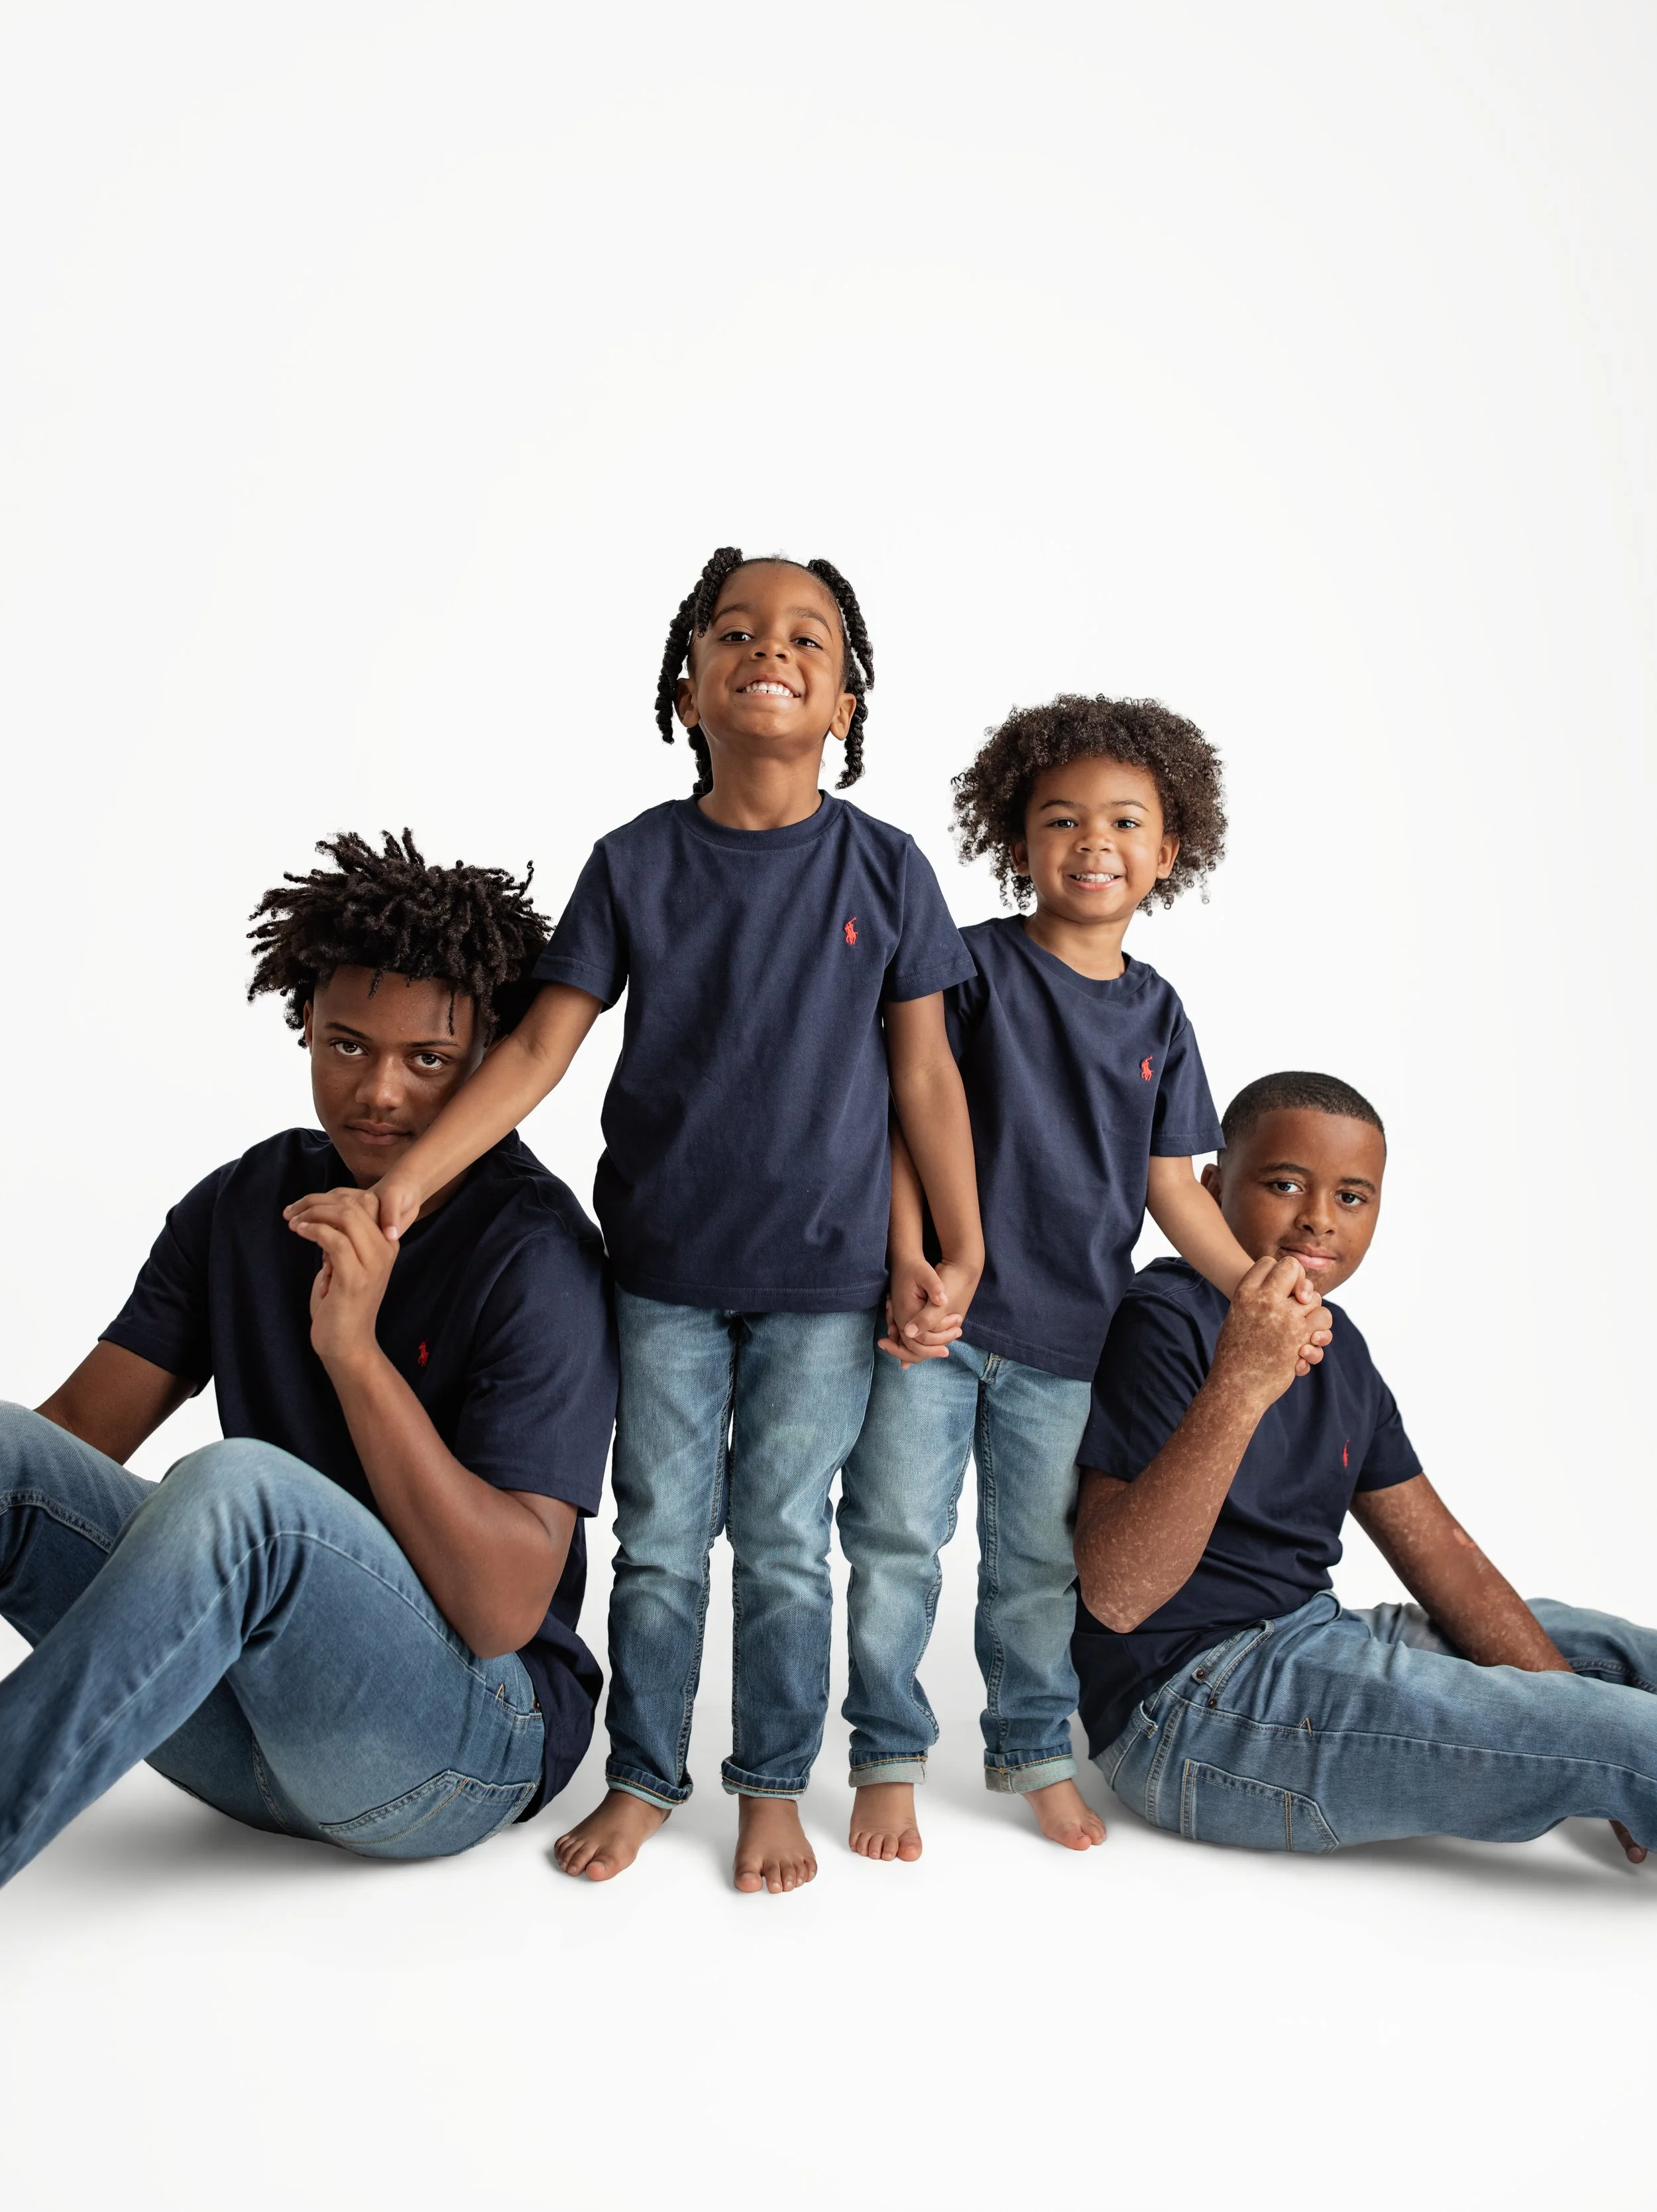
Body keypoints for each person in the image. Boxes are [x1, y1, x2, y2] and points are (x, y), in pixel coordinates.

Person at [337, 552, 981, 1895]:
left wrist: (954, 1243)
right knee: (660, 1540)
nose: (772, 646)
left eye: (808, 635)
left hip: (827, 1281)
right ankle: (641, 1775)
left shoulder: (886, 866)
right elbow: (534, 1052)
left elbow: (924, 1072)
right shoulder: (634, 861)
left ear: (846, 704)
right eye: (735, 628)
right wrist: (412, 1178)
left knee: (788, 1540)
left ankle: (766, 1784)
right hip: (664, 1272)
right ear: (687, 687)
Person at [0, 833, 617, 1889]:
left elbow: (502, 1611)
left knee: (244, 1490)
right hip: (241, 1729)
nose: (379, 1091)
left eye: (427, 1060)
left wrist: (353, 1354)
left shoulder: (537, 1252)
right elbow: (62, 1459)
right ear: (304, 1030)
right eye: (346, 1045)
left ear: (487, 1063)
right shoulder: (246, 1202)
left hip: (458, 1752)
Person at [839, 696, 1324, 1862]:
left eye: (1123, 821)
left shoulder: (1159, 1011)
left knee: (1034, 1564)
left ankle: (1033, 1751)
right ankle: (887, 1756)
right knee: (897, 1536)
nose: (1092, 841)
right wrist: (910, 1263)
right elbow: (904, 1121)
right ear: (1018, 840)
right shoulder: (968, 968)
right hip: (940, 1322)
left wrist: (1263, 1288)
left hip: (1068, 1342)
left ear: (1168, 851)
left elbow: (1172, 1188)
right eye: (1061, 818)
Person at [1073, 1069, 1652, 1864]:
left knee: (1623, 1658)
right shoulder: (1164, 1319)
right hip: (1187, 1709)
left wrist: (1576, 1718)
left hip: (1311, 1637)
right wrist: (1241, 1380)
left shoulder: (1340, 1346)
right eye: (1283, 1184)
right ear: (1210, 1189)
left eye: (1351, 1197)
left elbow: (1444, 1556)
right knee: (1621, 1730)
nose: (1317, 1220)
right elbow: (1116, 1594)